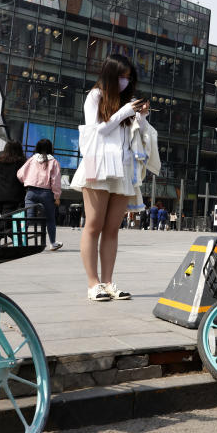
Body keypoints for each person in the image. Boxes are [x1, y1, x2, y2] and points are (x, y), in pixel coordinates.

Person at [68, 53, 149, 302]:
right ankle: (93, 284)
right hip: (98, 164)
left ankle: (108, 282)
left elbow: (140, 135)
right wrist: (123, 112)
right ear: (110, 76)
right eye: (121, 77)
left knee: (113, 228)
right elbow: (97, 131)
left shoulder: (127, 102)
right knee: (93, 226)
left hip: (122, 167)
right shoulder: (96, 96)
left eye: (129, 77)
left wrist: (141, 116)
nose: (125, 82)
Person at [17, 139, 63, 251]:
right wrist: (57, 196)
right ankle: (53, 243)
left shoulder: (32, 159)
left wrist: (27, 181)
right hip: (46, 193)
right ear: (50, 148)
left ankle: (19, 241)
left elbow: (20, 174)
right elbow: (55, 181)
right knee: (50, 219)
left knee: (29, 217)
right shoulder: (54, 162)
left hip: (31, 191)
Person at [0, 141, 27, 226]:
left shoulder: (0, 160)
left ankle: (10, 236)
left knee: (7, 220)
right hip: (14, 196)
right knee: (6, 221)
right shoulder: (22, 161)